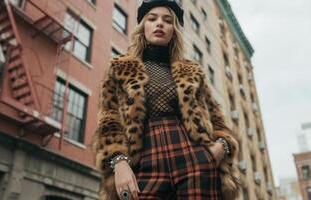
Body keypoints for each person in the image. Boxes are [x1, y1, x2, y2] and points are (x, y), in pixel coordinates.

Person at [92, 0, 240, 199]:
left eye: (167, 20)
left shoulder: (193, 71)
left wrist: (220, 146)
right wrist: (118, 161)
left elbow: (217, 118)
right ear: (143, 26)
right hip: (142, 160)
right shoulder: (119, 67)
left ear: (174, 30)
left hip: (195, 158)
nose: (159, 23)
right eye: (152, 19)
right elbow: (109, 120)